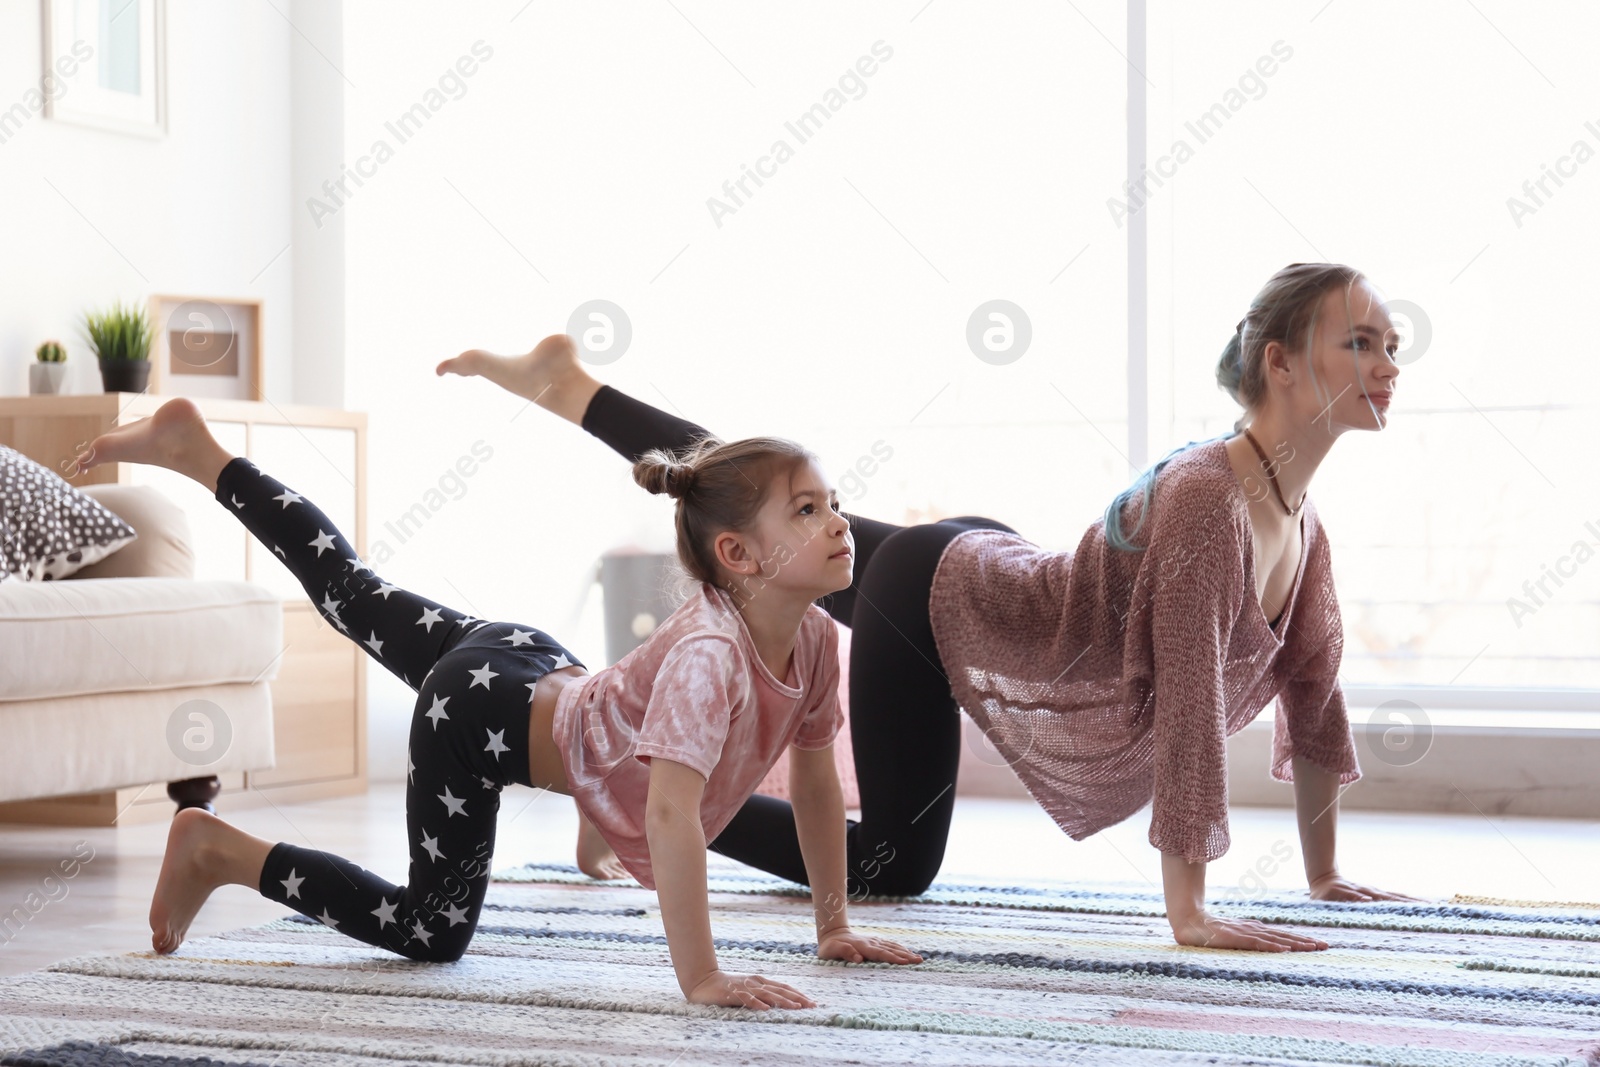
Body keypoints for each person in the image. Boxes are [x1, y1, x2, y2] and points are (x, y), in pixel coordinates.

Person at [437, 261, 1421, 954]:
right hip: (947, 596)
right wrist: (1190, 911)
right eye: (1359, 341)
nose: (1386, 361)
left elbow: (1313, 690)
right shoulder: (1212, 500)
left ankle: (571, 386)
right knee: (890, 866)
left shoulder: (1297, 519)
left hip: (972, 564)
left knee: (742, 487)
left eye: (1392, 343)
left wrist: (1322, 872)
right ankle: (629, 794)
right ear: (1281, 362)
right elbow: (1189, 711)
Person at [72, 399, 921, 1009]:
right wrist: (702, 977)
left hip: (530, 662)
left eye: (835, 503)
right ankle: (219, 849)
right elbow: (672, 820)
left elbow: (814, 784)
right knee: (430, 931)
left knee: (354, 592)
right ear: (738, 553)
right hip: (477, 716)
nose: (841, 523)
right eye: (808, 511)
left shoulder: (812, 638)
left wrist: (833, 924)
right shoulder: (711, 658)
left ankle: (206, 454)